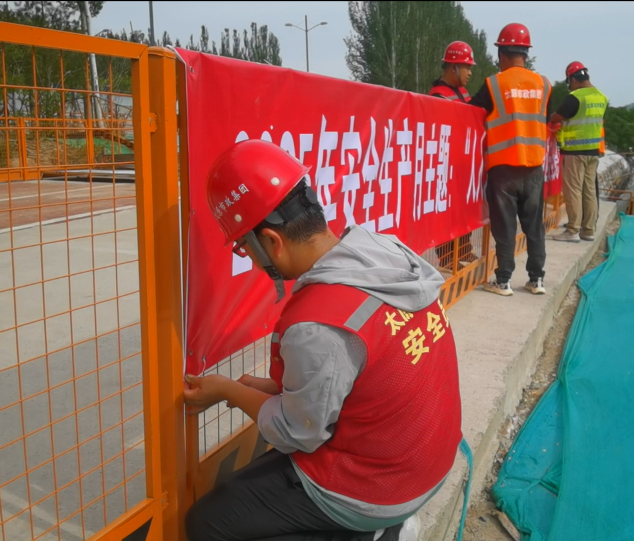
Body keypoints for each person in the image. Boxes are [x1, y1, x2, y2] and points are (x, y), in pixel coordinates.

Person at [183, 139, 463, 541]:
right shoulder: (385, 253)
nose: (250, 258)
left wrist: (228, 391)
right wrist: (261, 388)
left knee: (207, 524)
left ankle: (374, 533)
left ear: (272, 242)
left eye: (245, 246)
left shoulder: (317, 322)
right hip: (426, 462)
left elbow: (298, 432)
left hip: (380, 489)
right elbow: (357, 375)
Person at [469, 23, 551, 297]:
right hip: (534, 167)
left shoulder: (494, 84)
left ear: (502, 54)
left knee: (504, 227)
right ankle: (536, 280)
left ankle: (503, 281)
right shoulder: (544, 85)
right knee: (534, 227)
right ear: (525, 54)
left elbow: (470, 112)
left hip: (503, 168)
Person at [429, 41, 478, 272]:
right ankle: (447, 257)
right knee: (446, 213)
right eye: (466, 67)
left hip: (462, 164)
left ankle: (464, 249)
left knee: (462, 212)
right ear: (453, 67)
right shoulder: (438, 96)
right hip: (445, 164)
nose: (470, 72)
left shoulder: (462, 92)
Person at [549, 62, 608, 242]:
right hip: (593, 151)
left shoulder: (575, 97)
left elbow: (556, 118)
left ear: (573, 80)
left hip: (575, 151)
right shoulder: (601, 97)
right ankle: (588, 230)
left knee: (573, 191)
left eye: (569, 82)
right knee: (589, 191)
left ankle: (572, 231)